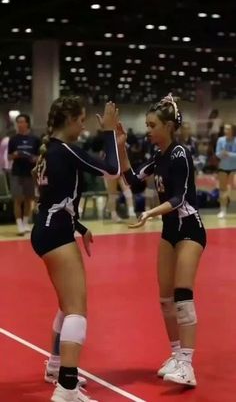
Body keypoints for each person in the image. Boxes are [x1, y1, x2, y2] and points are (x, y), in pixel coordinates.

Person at [31, 97, 120, 402]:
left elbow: (53, 198)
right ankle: (67, 388)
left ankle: (57, 367)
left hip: (47, 228)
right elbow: (112, 169)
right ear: (68, 120)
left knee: (66, 305)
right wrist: (109, 132)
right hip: (55, 232)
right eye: (81, 121)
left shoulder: (49, 153)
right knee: (77, 312)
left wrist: (80, 227)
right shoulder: (65, 150)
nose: (83, 127)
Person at [116, 94, 206, 387]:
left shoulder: (179, 153)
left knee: (182, 293)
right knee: (165, 299)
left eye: (152, 125)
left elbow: (179, 198)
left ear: (168, 126)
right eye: (147, 125)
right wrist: (120, 147)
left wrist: (149, 213)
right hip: (170, 229)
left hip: (189, 228)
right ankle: (177, 354)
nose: (148, 130)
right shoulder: (159, 156)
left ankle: (187, 365)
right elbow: (131, 179)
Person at [8, 114, 40, 235]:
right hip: (17, 172)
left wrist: (35, 158)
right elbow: (9, 156)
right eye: (18, 122)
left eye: (22, 122)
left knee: (29, 199)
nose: (20, 124)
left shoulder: (35, 139)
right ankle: (19, 224)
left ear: (27, 123)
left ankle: (26, 222)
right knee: (18, 199)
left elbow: (40, 156)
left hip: (30, 172)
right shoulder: (13, 139)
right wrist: (14, 155)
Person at [215, 123, 236, 218]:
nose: (226, 131)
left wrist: (229, 154)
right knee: (222, 189)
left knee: (230, 187)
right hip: (223, 167)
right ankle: (223, 210)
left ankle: (226, 200)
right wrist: (221, 154)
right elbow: (217, 153)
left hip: (233, 168)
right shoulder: (220, 140)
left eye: (228, 129)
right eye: (225, 129)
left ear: (232, 130)